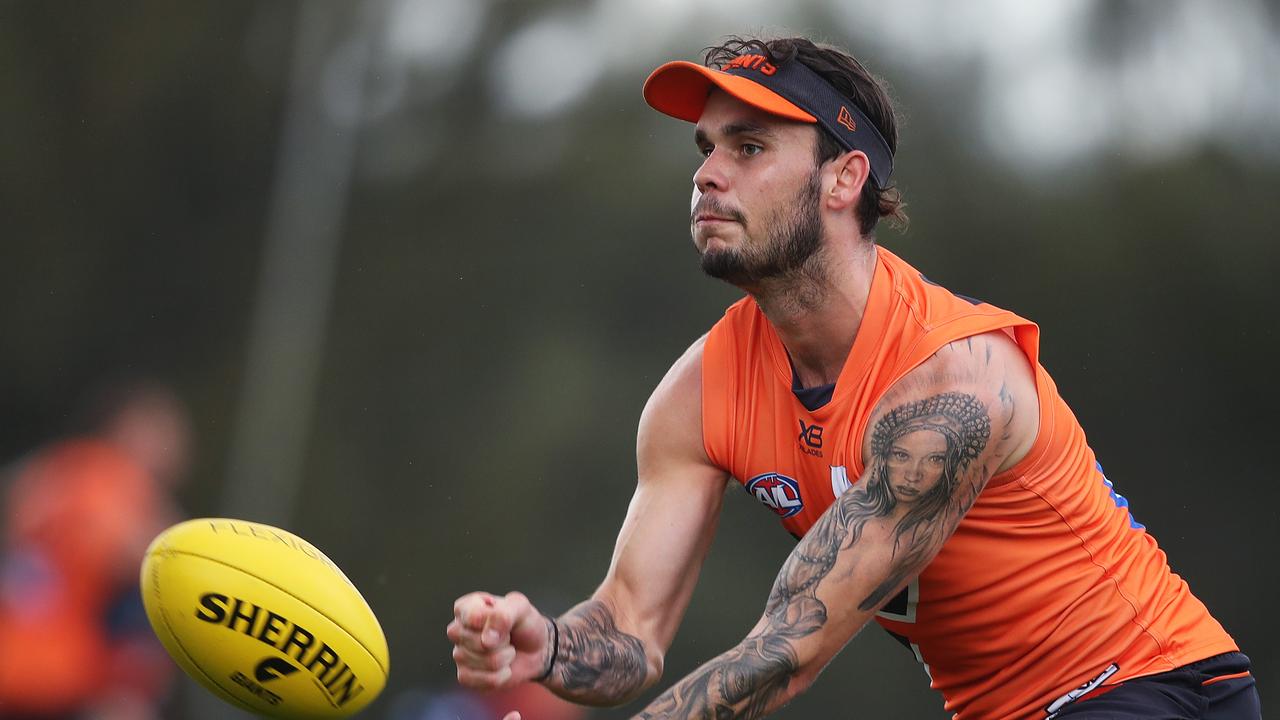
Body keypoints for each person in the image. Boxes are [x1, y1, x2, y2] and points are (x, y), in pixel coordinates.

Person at [447, 36, 1259, 719]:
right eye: (707, 149)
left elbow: (784, 654)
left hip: (1149, 686)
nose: (707, 175)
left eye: (750, 147)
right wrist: (546, 643)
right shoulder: (699, 391)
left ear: (845, 179)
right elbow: (630, 628)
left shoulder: (953, 381)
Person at [0, 381, 190, 719]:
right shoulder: (117, 482)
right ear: (126, 428)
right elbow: (158, 561)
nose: (177, 449)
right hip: (63, 677)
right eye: (163, 433)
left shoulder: (47, 472)